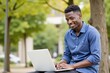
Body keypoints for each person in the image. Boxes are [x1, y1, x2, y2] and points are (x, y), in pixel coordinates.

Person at [56, 5, 101, 73]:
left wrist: (73, 66)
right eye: (67, 19)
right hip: (71, 69)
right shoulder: (67, 35)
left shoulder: (92, 32)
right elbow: (67, 55)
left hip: (87, 70)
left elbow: (95, 57)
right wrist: (61, 63)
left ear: (80, 16)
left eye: (71, 18)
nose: (69, 22)